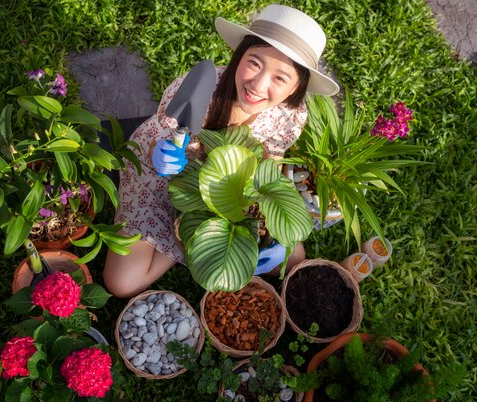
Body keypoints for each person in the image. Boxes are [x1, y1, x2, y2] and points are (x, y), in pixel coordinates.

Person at [103, 4, 339, 298]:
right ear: (238, 56)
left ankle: (191, 238)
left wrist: (265, 216)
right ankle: (188, 240)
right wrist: (158, 153)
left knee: (293, 258)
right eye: (254, 63)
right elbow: (161, 138)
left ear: (295, 89)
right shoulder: (200, 88)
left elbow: (270, 163)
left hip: (225, 192)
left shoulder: (289, 117)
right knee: (121, 283)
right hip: (161, 183)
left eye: (280, 78)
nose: (258, 84)